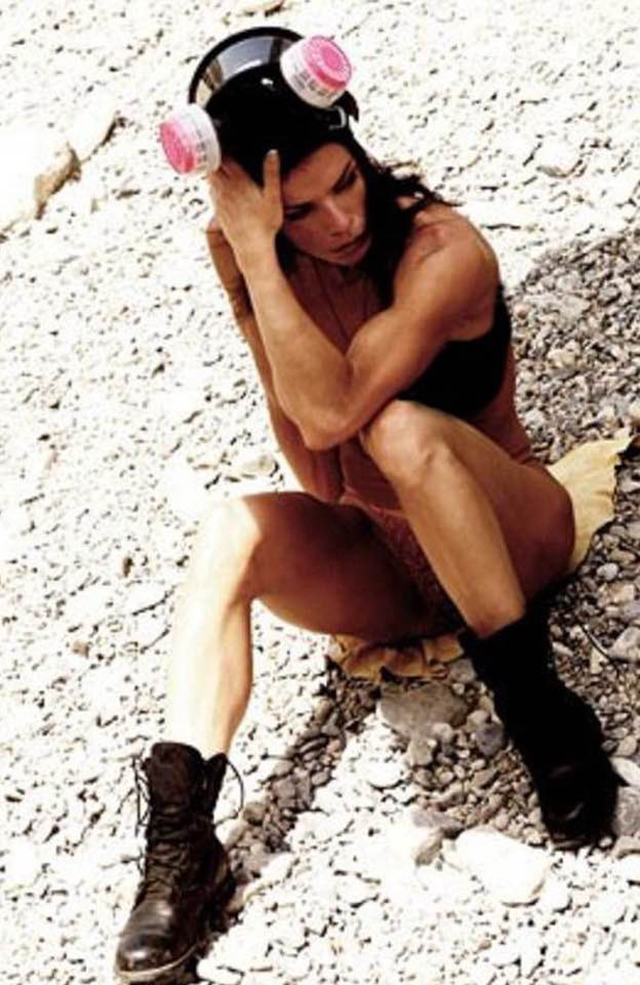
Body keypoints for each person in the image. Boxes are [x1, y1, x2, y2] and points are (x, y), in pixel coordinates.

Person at [114, 26, 620, 984]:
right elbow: (319, 473)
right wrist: (254, 280)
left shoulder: (441, 250)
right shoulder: (265, 258)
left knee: (396, 428)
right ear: (262, 212)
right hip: (395, 563)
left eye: (346, 182)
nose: (342, 221)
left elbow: (341, 412)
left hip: (516, 534)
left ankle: (543, 715)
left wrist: (262, 259)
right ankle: (181, 848)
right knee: (229, 529)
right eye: (300, 212)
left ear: (358, 145)